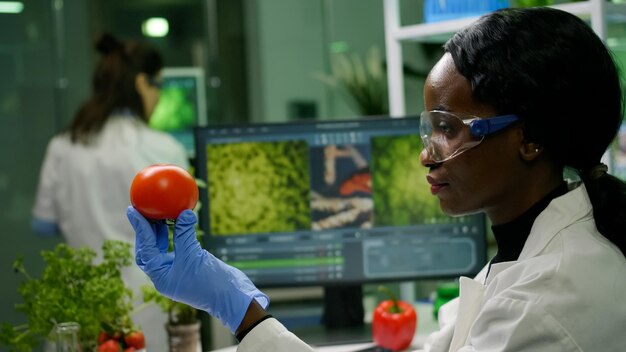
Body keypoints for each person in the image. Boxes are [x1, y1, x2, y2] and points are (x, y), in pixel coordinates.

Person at [126, 7, 626, 352]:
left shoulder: (542, 305)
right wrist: (239, 308)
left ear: (530, 138)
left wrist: (241, 312)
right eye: (428, 128)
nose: (426, 155)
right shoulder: (531, 252)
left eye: (448, 129)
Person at [32, 34, 188, 351]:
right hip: (144, 314)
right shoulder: (164, 149)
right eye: (158, 86)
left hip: (80, 308)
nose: (157, 98)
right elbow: (185, 229)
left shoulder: (63, 145)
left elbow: (43, 224)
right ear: (142, 83)